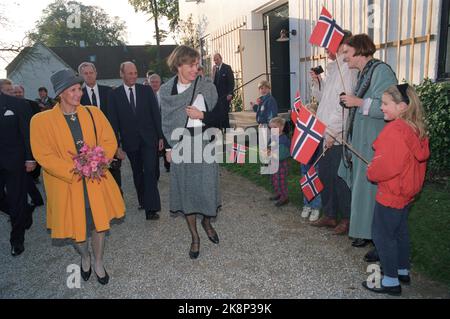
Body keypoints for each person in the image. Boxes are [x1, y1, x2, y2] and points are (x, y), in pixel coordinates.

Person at [30, 68, 125, 285]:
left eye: (79, 89)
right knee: (75, 230)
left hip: (94, 180)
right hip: (66, 184)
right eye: (73, 90)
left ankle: (99, 261)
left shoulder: (93, 113)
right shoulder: (40, 121)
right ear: (60, 93)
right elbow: (43, 154)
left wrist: (98, 161)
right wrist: (74, 169)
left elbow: (109, 141)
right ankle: (84, 256)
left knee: (99, 224)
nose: (79, 93)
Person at [362, 84, 429, 296]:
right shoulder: (415, 128)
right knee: (400, 231)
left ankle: (390, 281)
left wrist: (371, 171)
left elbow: (386, 166)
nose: (381, 108)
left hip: (392, 193)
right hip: (407, 192)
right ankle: (401, 270)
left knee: (382, 236)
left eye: (385, 104)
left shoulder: (395, 131)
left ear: (401, 106)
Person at [160, 45, 221, 259]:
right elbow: (165, 121)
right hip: (180, 146)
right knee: (186, 193)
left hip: (204, 144)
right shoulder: (166, 90)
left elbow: (221, 116)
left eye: (197, 64)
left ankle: (206, 223)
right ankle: (194, 237)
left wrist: (202, 114)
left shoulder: (205, 85)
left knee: (206, 190)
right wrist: (168, 147)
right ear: (179, 65)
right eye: (192, 64)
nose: (196, 68)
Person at [338, 34, 398, 248]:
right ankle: (365, 231)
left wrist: (357, 101)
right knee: (362, 190)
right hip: (361, 139)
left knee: (371, 191)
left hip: (374, 141)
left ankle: (376, 239)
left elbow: (391, 106)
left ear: (360, 50)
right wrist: (352, 102)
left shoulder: (381, 71)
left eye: (347, 52)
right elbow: (363, 104)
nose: (345, 58)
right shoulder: (364, 73)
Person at [309, 31, 357, 235]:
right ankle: (329, 214)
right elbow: (324, 99)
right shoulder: (333, 68)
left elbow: (343, 106)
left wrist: (334, 132)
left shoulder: (347, 69)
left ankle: (346, 218)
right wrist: (317, 82)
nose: (325, 49)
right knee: (325, 174)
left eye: (328, 45)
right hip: (325, 130)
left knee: (339, 177)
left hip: (337, 134)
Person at [107, 62, 164, 220]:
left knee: (150, 171)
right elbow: (113, 122)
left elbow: (155, 115)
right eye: (130, 73)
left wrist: (160, 136)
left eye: (135, 73)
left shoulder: (146, 91)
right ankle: (143, 201)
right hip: (130, 142)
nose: (133, 76)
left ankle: (151, 208)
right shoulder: (114, 95)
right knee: (138, 173)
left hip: (149, 139)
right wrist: (116, 146)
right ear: (122, 74)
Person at [0, 90, 36, 256]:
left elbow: (28, 133)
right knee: (8, 203)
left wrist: (30, 158)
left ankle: (16, 240)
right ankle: (25, 211)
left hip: (14, 162)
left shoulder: (17, 104)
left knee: (16, 200)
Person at [78, 62, 122, 190]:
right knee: (95, 178)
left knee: (115, 175)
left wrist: (118, 144)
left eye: (91, 73)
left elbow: (116, 118)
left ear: (96, 73)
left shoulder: (109, 92)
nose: (89, 76)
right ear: (81, 76)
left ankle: (118, 203)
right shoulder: (78, 96)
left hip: (109, 140)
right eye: (85, 73)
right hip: (89, 144)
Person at [13, 85, 44, 207]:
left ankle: (34, 179)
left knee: (34, 163)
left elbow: (39, 120)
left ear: (23, 92)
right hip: (17, 142)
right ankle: (34, 199)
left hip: (33, 136)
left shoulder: (32, 104)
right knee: (23, 174)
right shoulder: (9, 105)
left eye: (19, 92)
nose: (17, 94)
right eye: (15, 92)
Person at [148, 73, 170, 176]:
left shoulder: (166, 95)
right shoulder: (145, 96)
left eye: (156, 82)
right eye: (152, 82)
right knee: (154, 152)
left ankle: (168, 166)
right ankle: (155, 173)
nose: (154, 84)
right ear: (149, 83)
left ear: (160, 83)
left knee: (167, 147)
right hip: (152, 129)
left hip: (165, 126)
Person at [267, 117, 290, 207]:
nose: (272, 130)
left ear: (281, 127)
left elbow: (282, 154)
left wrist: (272, 153)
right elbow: (269, 147)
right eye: (271, 128)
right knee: (274, 179)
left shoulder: (283, 139)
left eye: (275, 127)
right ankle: (278, 193)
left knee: (281, 180)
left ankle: (284, 197)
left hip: (281, 164)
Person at [212, 53, 235, 129]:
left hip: (225, 96)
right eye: (214, 60)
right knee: (219, 114)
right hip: (217, 97)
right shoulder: (215, 69)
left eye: (217, 59)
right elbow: (213, 83)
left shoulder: (227, 68)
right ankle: (221, 130)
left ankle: (227, 130)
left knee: (224, 114)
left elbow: (231, 82)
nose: (216, 61)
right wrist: (213, 73)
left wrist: (230, 94)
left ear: (221, 59)